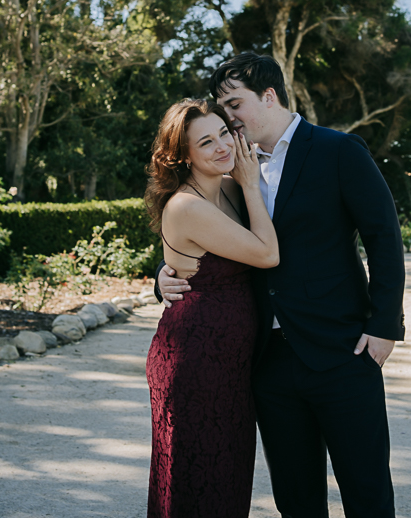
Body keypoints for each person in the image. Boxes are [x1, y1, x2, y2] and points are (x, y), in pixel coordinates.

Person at [156, 52, 405, 517]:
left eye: (234, 105)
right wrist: (165, 276)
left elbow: (384, 238)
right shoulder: (231, 171)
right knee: (296, 499)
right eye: (222, 108)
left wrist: (385, 326)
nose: (228, 120)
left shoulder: (338, 151)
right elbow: (198, 232)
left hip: (342, 351)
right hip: (266, 364)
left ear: (269, 96)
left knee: (367, 490)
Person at [144, 98, 279, 518]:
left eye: (224, 132)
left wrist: (245, 184)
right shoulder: (188, 205)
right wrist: (252, 184)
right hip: (195, 366)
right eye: (206, 142)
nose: (222, 146)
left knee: (227, 480)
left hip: (231, 367)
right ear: (183, 155)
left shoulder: (227, 189)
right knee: (194, 480)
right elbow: (266, 253)